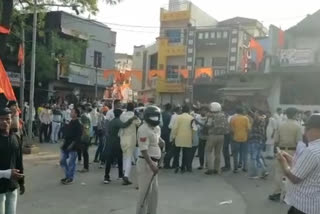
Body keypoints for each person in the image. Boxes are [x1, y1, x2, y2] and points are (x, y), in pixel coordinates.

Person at [277, 114, 320, 214]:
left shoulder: (312, 151)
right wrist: (289, 159)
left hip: (304, 205)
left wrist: (283, 162)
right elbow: (307, 168)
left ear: (315, 129)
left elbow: (295, 178)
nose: (305, 133)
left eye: (307, 129)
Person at [269, 107, 303, 202]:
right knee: (290, 173)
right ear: (295, 114)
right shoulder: (298, 126)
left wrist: (276, 151)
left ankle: (277, 193)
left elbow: (276, 140)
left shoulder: (281, 125)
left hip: (281, 150)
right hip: (293, 151)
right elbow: (299, 142)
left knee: (279, 173)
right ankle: (287, 194)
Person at [136, 106, 163, 214]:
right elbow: (143, 150)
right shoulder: (143, 129)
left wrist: (161, 141)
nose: (155, 119)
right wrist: (151, 165)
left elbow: (156, 137)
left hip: (154, 163)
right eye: (153, 116)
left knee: (154, 194)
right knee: (144, 193)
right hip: (146, 164)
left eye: (156, 116)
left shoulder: (156, 128)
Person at [0, 107, 25, 214]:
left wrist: (22, 182)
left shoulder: (16, 138)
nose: (4, 122)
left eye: (7, 119)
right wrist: (7, 173)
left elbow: (19, 161)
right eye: (1, 119)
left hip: (12, 186)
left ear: (11, 120)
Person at [104, 109, 135, 184]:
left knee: (109, 160)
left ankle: (106, 177)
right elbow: (124, 125)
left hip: (109, 141)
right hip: (115, 142)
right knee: (119, 158)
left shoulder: (112, 121)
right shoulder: (117, 121)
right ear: (120, 114)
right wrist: (131, 119)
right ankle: (120, 175)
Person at [119, 103, 141, 185]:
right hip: (131, 139)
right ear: (133, 108)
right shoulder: (134, 117)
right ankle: (126, 176)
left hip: (122, 139)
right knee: (128, 158)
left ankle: (124, 172)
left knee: (124, 157)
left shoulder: (122, 116)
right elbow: (139, 124)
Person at [204, 102, 229, 175]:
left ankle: (210, 169)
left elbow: (208, 125)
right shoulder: (223, 115)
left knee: (208, 152)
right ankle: (216, 169)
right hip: (221, 136)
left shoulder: (211, 116)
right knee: (218, 153)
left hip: (212, 135)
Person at [60, 108, 82, 185]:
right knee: (62, 161)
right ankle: (67, 176)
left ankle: (70, 178)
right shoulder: (70, 122)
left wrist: (72, 145)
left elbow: (78, 137)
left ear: (76, 114)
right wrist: (63, 143)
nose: (71, 113)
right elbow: (66, 134)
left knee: (71, 163)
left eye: (72, 112)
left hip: (73, 146)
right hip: (66, 144)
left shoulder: (78, 124)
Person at [171, 105, 193, 173]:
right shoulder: (191, 118)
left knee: (177, 153)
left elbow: (175, 128)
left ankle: (177, 166)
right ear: (189, 111)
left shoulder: (178, 117)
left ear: (182, 110)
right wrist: (192, 138)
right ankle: (183, 167)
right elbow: (193, 129)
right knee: (185, 153)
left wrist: (173, 137)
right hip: (187, 138)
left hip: (178, 138)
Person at [248, 110, 268, 179]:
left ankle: (254, 174)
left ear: (259, 114)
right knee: (258, 157)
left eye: (256, 113)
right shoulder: (263, 120)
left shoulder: (258, 120)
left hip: (254, 140)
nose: (255, 114)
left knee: (253, 158)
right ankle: (264, 171)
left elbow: (255, 119)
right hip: (260, 140)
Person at [230, 107, 251, 173]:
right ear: (243, 111)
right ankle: (245, 167)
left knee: (235, 154)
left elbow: (231, 129)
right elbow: (248, 129)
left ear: (236, 112)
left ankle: (235, 168)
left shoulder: (233, 118)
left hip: (235, 138)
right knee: (244, 153)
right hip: (244, 138)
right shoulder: (246, 118)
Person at [78, 104, 92, 173]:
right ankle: (85, 167)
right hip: (87, 135)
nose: (79, 110)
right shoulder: (86, 115)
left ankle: (85, 167)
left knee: (85, 152)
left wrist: (80, 124)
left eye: (79, 109)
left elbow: (86, 126)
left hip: (84, 136)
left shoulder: (83, 116)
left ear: (82, 109)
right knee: (85, 152)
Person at [161, 104, 172, 169]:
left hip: (161, 133)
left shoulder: (161, 114)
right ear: (170, 108)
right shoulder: (170, 116)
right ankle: (166, 163)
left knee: (161, 148)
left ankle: (159, 163)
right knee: (168, 149)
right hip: (168, 134)